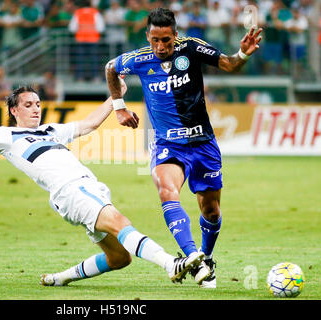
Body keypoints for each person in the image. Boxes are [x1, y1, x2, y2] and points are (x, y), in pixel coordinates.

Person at [0, 79, 205, 287]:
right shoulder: (4, 136)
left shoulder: (52, 130)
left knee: (119, 258)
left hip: (88, 187)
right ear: (13, 110)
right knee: (121, 222)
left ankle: (59, 279)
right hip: (71, 191)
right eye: (28, 105)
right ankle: (169, 263)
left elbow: (90, 124)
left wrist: (115, 98)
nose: (35, 108)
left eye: (38, 104)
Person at [105, 7, 262, 288]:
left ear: (175, 36)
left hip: (203, 144)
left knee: (210, 210)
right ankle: (194, 259)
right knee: (167, 191)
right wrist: (119, 107)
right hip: (168, 145)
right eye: (155, 40)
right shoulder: (138, 59)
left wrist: (243, 55)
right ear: (148, 36)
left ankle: (207, 257)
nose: (160, 46)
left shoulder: (191, 48)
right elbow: (111, 68)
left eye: (166, 40)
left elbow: (229, 64)